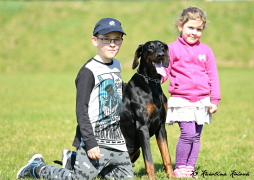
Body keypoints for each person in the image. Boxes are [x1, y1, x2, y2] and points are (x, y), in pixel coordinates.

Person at [17, 18, 134, 180]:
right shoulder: (88, 71)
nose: (112, 44)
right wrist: (90, 143)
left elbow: (119, 89)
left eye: (117, 39)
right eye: (106, 39)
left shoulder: (117, 65)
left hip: (116, 141)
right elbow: (81, 110)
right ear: (95, 41)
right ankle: (37, 168)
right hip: (95, 140)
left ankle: (73, 160)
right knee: (78, 179)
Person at [160, 7, 221, 178]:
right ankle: (180, 167)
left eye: (198, 29)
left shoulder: (206, 50)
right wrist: (156, 79)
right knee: (188, 134)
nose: (194, 32)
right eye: (190, 28)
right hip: (182, 99)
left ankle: (190, 168)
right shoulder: (171, 49)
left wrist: (214, 99)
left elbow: (213, 76)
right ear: (180, 26)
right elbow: (165, 70)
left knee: (197, 137)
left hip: (202, 100)